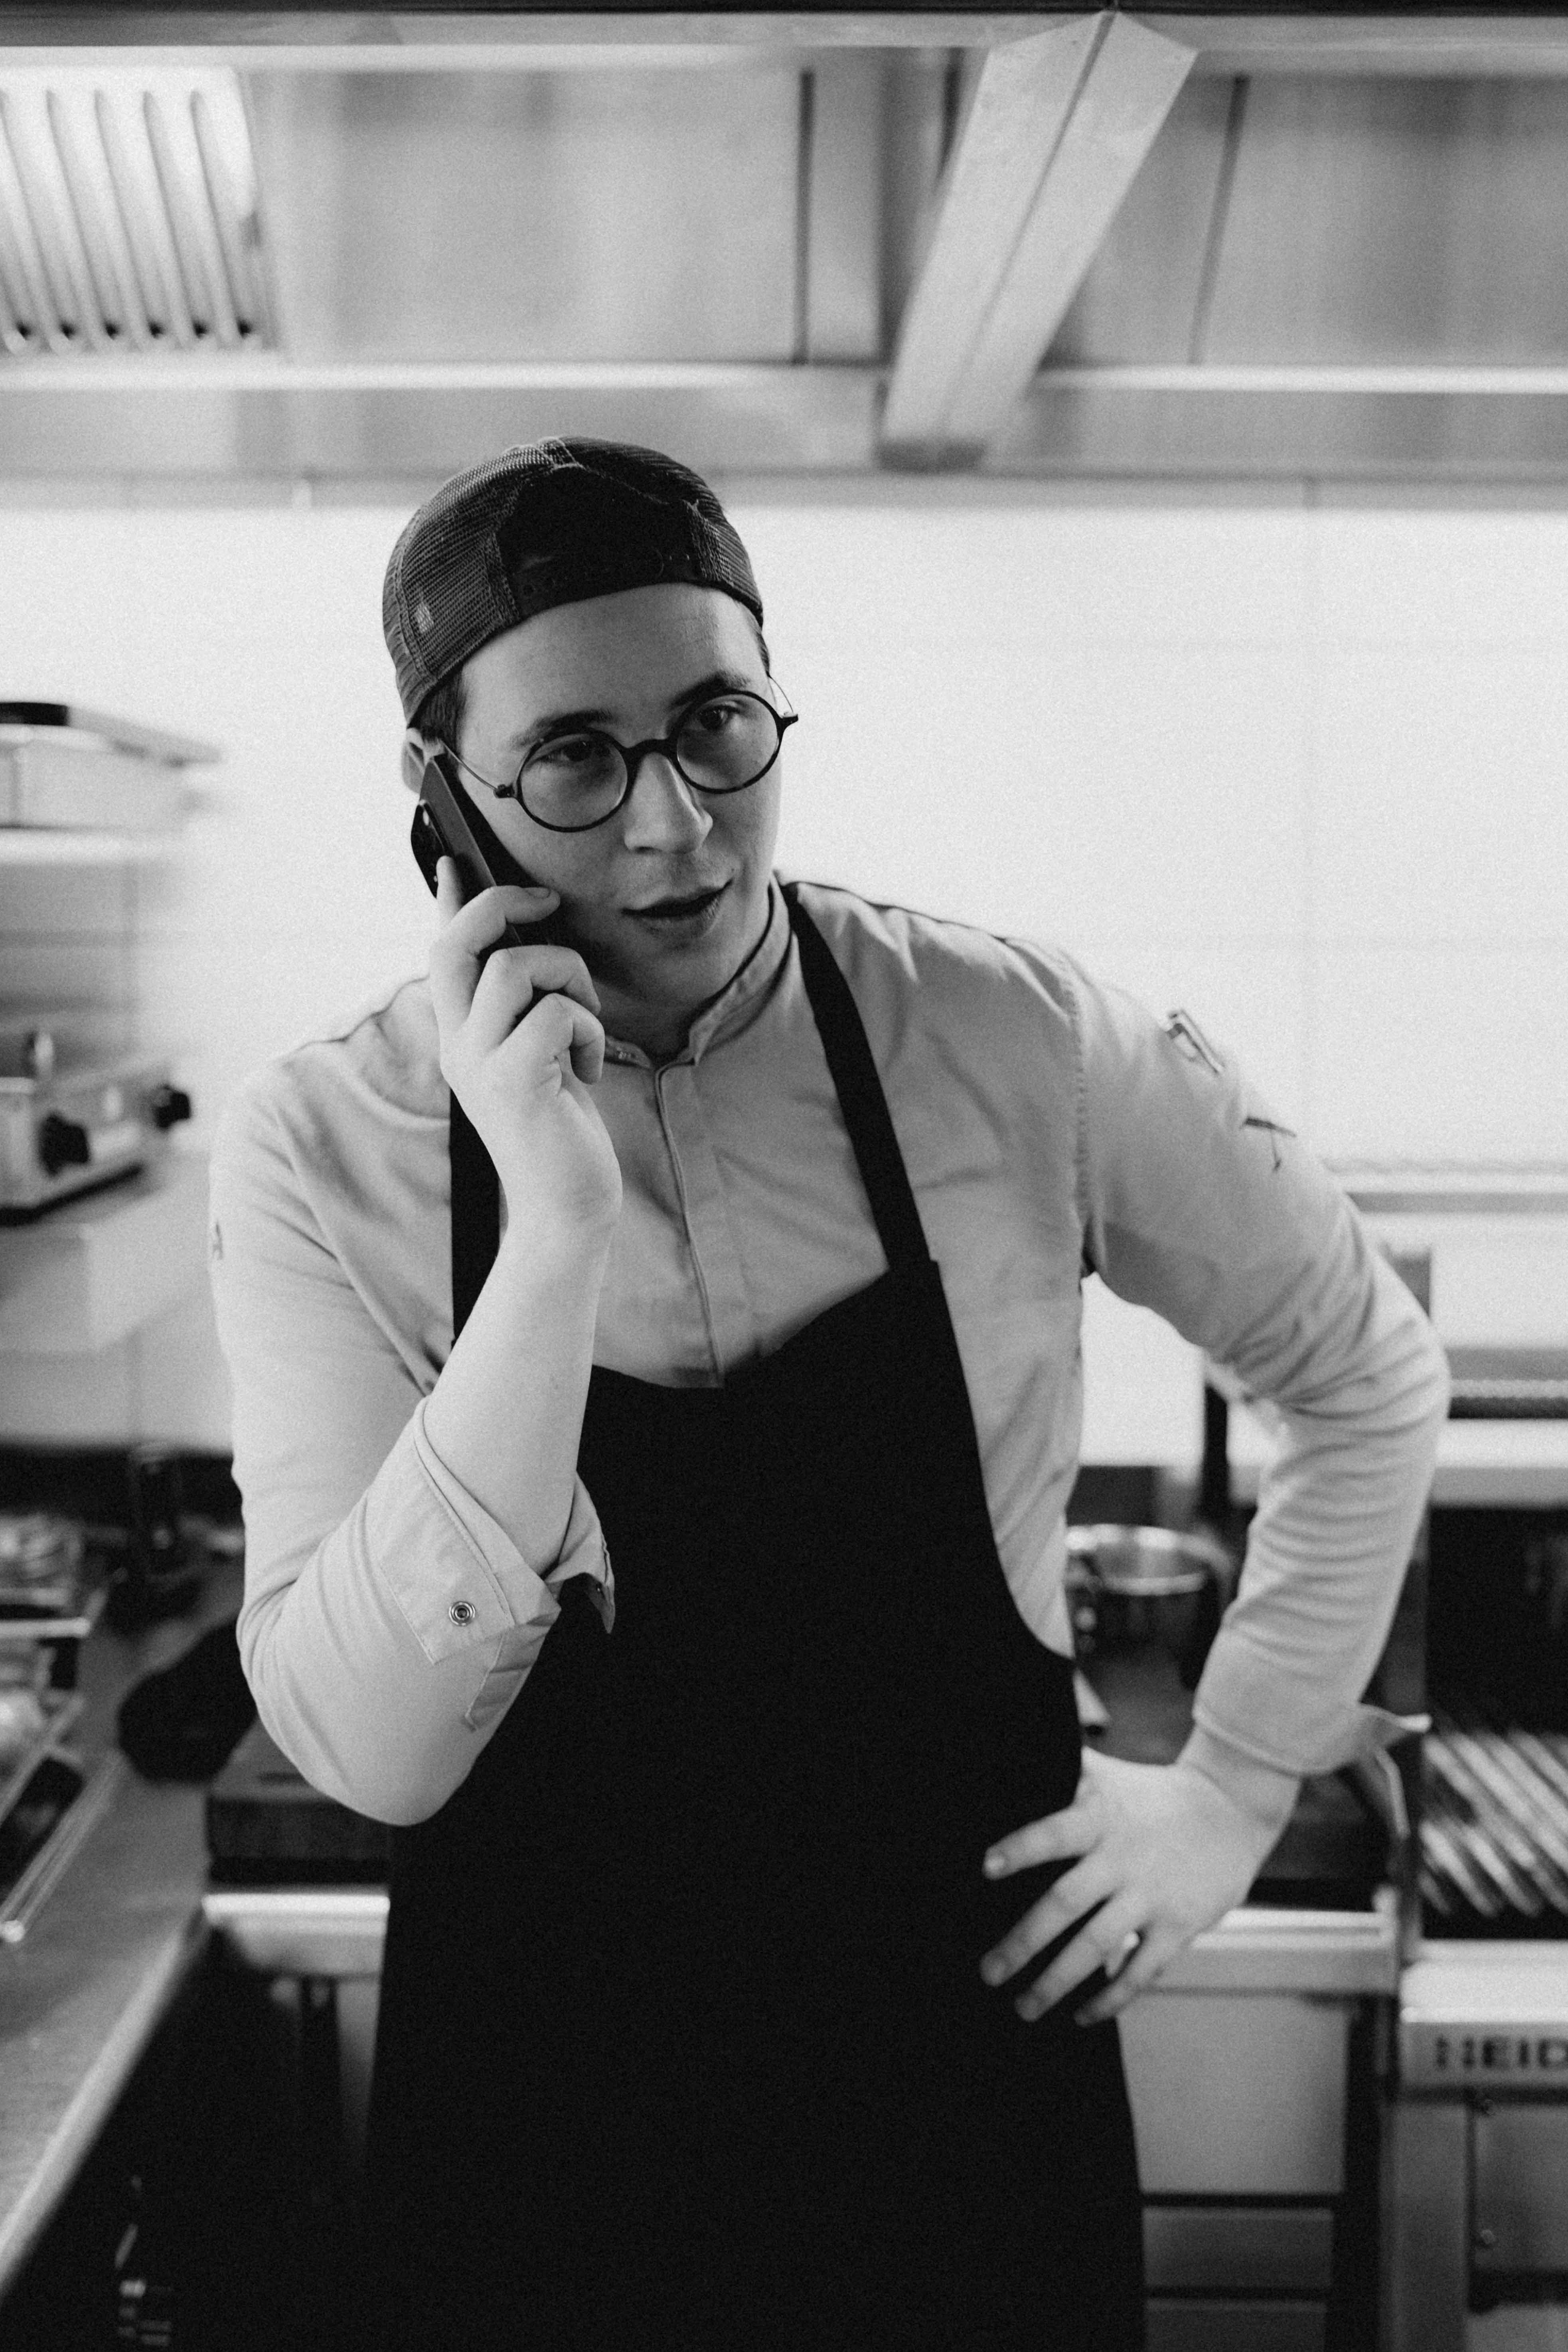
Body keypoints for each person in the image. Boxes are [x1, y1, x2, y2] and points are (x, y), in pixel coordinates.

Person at [209, 438, 1448, 2352]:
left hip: (956, 2113)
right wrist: (546, 1236)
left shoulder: (1013, 1040)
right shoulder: (324, 1146)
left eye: (717, 726)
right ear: (441, 796)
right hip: (547, 2148)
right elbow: (372, 1751)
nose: (674, 830)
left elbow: (1361, 1369)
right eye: (572, 761)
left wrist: (1227, 1785)